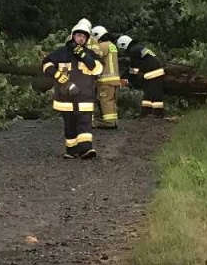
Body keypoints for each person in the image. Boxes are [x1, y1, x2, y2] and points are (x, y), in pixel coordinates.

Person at [42, 18, 103, 159]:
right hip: (65, 97)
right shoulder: (62, 52)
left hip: (84, 97)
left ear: (87, 39)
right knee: (69, 125)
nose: (80, 38)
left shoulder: (90, 54)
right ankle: (71, 150)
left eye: (83, 36)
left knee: (84, 124)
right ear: (73, 35)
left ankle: (86, 149)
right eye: (78, 35)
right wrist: (59, 76)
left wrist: (83, 55)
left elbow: (97, 69)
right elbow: (46, 64)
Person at [117, 34, 167, 117]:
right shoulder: (137, 48)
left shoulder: (134, 51)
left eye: (122, 49)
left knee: (154, 94)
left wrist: (126, 79)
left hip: (153, 72)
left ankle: (157, 114)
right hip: (153, 71)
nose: (123, 51)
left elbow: (134, 68)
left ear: (124, 45)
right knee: (148, 94)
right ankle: (146, 113)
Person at [90, 25, 122, 130]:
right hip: (115, 80)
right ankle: (113, 121)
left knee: (105, 100)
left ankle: (109, 122)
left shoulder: (102, 46)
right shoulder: (112, 45)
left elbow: (94, 58)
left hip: (105, 80)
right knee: (111, 101)